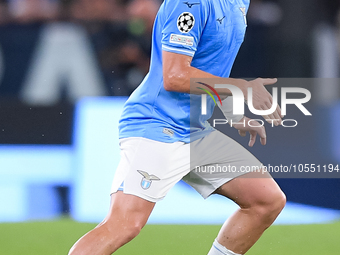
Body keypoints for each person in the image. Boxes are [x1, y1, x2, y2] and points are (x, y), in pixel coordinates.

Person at [68, 0, 286, 254]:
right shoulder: (187, 3)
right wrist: (242, 88)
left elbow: (213, 64)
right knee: (124, 224)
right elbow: (175, 77)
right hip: (156, 124)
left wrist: (232, 113)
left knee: (266, 201)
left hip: (195, 130)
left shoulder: (239, 2)